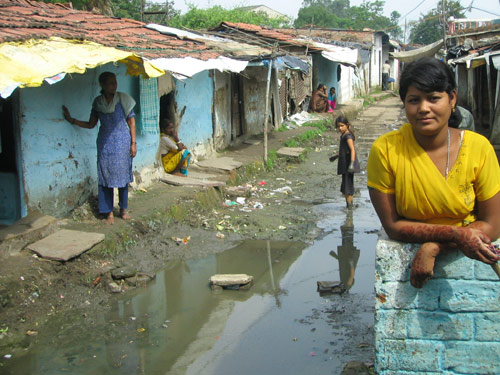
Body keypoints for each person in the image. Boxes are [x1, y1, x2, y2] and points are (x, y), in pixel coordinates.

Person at [367, 57, 500, 288]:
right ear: (404, 104)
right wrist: (458, 235)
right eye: (414, 100)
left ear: (452, 99)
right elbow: (393, 225)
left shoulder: (479, 149)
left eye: (434, 98)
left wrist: (435, 246)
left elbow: (493, 224)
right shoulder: (386, 150)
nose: (423, 109)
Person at [62, 71, 136, 225]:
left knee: (123, 178)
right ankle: (108, 212)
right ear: (102, 85)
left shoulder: (123, 99)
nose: (114, 86)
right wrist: (72, 120)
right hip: (104, 145)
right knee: (105, 177)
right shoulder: (98, 102)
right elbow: (91, 124)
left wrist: (133, 143)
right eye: (110, 83)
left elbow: (131, 122)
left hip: (122, 143)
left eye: (115, 82)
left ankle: (123, 209)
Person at [336, 115, 360, 208]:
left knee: (347, 187)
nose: (340, 128)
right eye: (338, 126)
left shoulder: (348, 136)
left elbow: (352, 150)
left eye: (342, 126)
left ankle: (349, 207)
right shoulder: (343, 135)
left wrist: (352, 164)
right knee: (346, 186)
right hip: (345, 164)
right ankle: (349, 205)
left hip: (348, 165)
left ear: (347, 125)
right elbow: (345, 150)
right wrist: (337, 155)